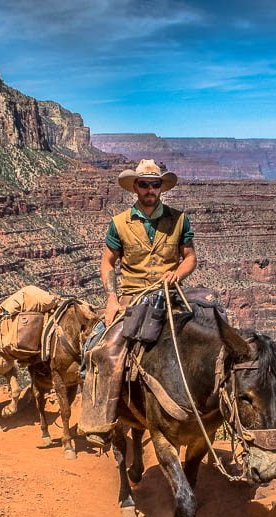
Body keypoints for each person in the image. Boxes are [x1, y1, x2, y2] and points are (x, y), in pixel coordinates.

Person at [82, 159, 197, 446]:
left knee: (212, 341)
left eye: (155, 184)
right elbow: (108, 264)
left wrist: (177, 274)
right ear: (135, 187)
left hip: (170, 297)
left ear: (162, 188)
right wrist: (111, 298)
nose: (149, 189)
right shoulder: (119, 223)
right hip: (132, 299)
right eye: (144, 184)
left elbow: (190, 258)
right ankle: (100, 420)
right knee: (99, 349)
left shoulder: (179, 219)